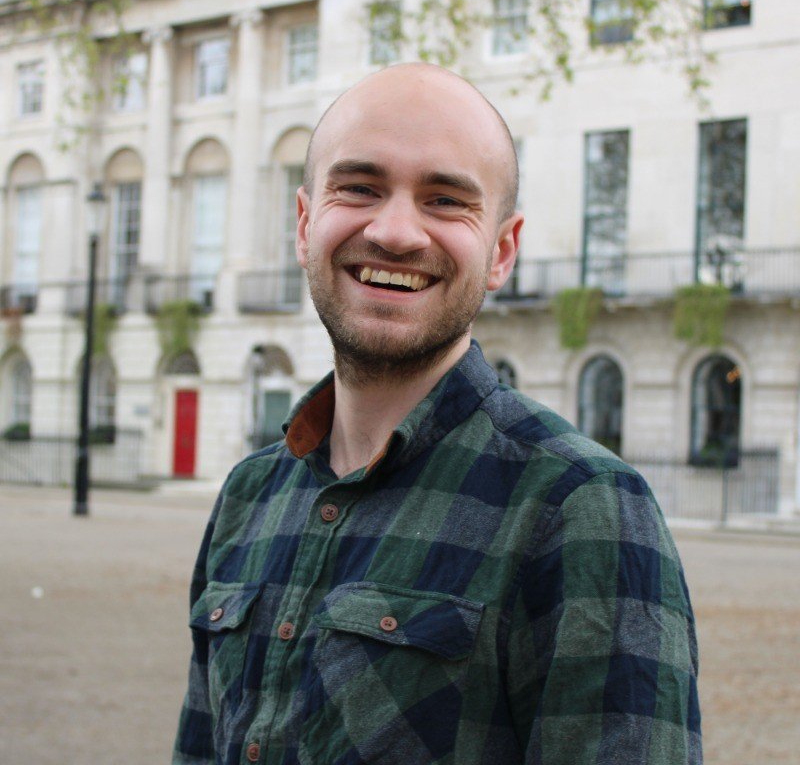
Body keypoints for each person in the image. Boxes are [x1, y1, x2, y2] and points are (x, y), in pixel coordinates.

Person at [173, 63, 701, 765]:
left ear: (501, 251)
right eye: (360, 188)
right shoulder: (248, 496)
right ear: (304, 225)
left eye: (446, 200)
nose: (395, 232)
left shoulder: (581, 508)